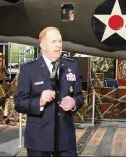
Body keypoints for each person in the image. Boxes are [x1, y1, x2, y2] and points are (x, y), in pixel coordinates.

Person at [14, 27, 84, 157]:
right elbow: (19, 103)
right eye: (54, 42)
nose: (59, 45)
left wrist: (74, 102)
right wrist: (39, 101)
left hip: (65, 139)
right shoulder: (29, 69)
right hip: (38, 139)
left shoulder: (71, 66)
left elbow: (79, 96)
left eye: (60, 41)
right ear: (43, 45)